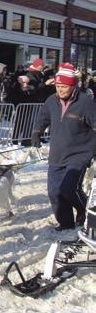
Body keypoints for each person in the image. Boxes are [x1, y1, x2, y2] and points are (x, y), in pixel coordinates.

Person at [31, 63, 96, 231]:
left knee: (69, 188)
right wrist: (37, 131)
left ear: (73, 86)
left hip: (80, 153)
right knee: (55, 192)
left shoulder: (86, 102)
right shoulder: (51, 101)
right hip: (58, 152)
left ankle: (84, 211)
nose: (60, 90)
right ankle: (66, 222)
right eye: (58, 86)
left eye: (64, 86)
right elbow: (43, 117)